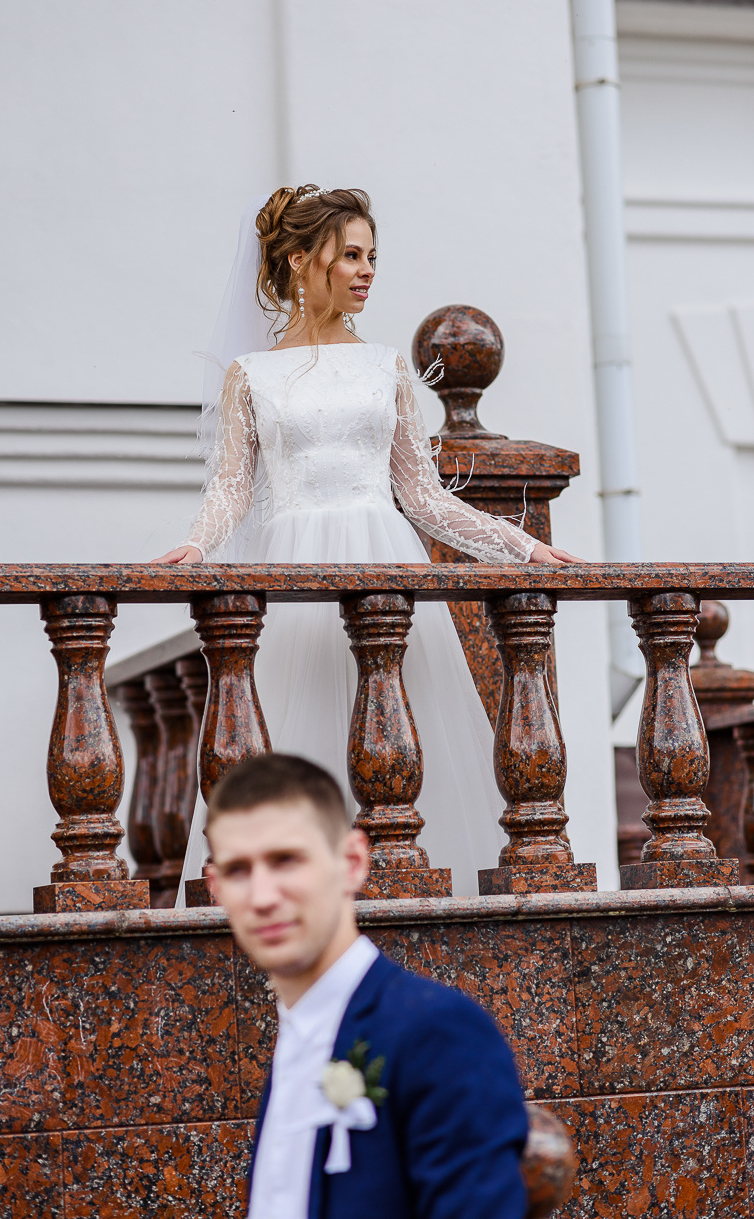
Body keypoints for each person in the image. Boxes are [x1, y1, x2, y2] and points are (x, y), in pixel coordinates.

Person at [153, 186, 582, 898]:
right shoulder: (251, 376)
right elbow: (231, 486)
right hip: (296, 573)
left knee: (405, 738)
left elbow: (422, 496)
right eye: (350, 254)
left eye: (372, 256)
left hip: (386, 558)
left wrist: (519, 547)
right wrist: (196, 545)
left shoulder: (386, 367)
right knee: (299, 736)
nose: (367, 270)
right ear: (299, 260)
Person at [205, 752, 529, 1219]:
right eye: (238, 870)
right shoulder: (293, 1038)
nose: (262, 897)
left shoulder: (437, 1031)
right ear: (215, 887)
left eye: (286, 860)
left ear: (353, 862)